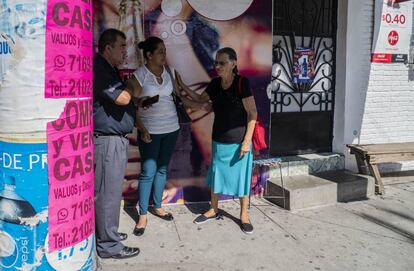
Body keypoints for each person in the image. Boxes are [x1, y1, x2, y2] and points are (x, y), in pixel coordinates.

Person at [126, 36, 205, 236]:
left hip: (171, 129)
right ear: (149, 55)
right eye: (160, 51)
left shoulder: (170, 72)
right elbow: (131, 103)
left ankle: (157, 206)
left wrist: (202, 105)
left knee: (161, 170)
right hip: (149, 132)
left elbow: (180, 97)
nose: (164, 55)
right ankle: (143, 214)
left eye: (165, 51)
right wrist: (142, 127)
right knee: (148, 172)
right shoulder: (140, 75)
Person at [190, 47, 258, 234]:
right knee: (216, 177)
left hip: (239, 142)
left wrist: (246, 141)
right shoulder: (214, 84)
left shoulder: (241, 83)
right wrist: (181, 86)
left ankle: (244, 214)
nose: (217, 66)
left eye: (222, 62)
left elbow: (252, 113)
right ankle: (213, 209)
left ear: (234, 63)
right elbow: (200, 100)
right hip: (219, 140)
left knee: (242, 180)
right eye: (216, 62)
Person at [93, 28, 140, 259]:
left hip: (114, 141)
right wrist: (131, 86)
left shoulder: (110, 69)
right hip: (107, 142)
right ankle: (108, 246)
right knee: (107, 195)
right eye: (121, 46)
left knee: (110, 193)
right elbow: (123, 98)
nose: (125, 51)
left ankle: (106, 233)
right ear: (108, 47)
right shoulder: (100, 68)